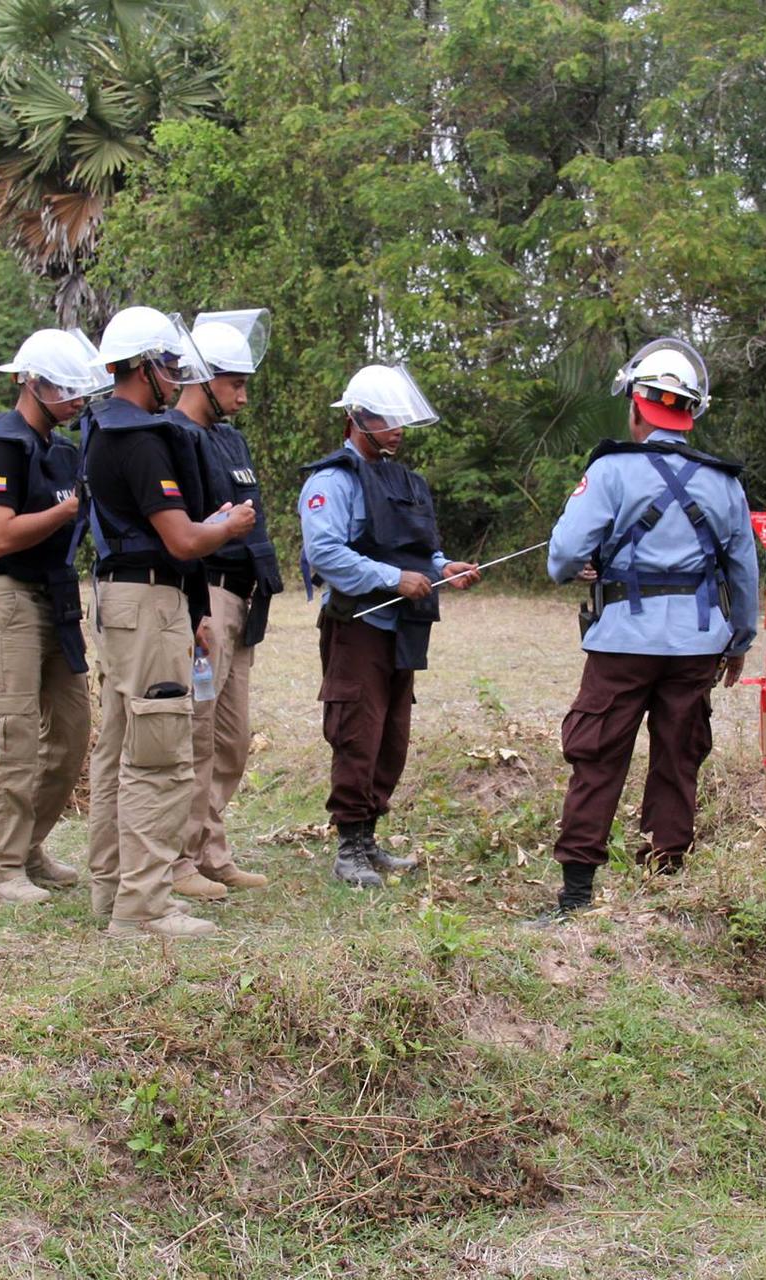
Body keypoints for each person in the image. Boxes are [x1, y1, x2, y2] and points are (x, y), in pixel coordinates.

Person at [542, 337, 760, 919]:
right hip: (696, 647)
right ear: (690, 414)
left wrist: (581, 565)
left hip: (621, 645)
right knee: (677, 760)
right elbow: (742, 571)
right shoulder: (726, 483)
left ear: (636, 408)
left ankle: (577, 898)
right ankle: (665, 889)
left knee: (597, 759)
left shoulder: (610, 470)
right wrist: (739, 642)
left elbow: (562, 557)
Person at [75, 306, 257, 940]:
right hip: (147, 604)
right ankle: (143, 905)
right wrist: (226, 528)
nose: (178, 376)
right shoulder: (143, 437)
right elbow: (180, 540)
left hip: (130, 599)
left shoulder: (103, 427)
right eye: (170, 364)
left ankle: (111, 886)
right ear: (144, 367)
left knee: (120, 746)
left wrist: (198, 613)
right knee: (159, 754)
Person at [297, 364, 481, 889]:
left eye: (403, 419)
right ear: (356, 417)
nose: (398, 428)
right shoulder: (331, 480)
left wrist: (443, 568)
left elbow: (419, 549)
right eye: (385, 418)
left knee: (391, 736)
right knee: (357, 731)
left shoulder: (407, 481)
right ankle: (348, 847)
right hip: (358, 626)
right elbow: (326, 552)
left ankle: (370, 837)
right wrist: (391, 579)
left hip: (406, 628)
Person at [0, 329, 101, 904]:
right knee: (14, 736)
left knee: (71, 733)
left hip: (55, 597)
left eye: (80, 391)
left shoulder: (64, 449)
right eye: (65, 390)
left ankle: (29, 846)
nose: (75, 401)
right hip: (6, 599)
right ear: (30, 383)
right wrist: (66, 510)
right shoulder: (1, 444)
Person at [169, 310, 280, 901]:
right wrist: (194, 613)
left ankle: (212, 847)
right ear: (201, 379)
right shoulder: (174, 437)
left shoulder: (230, 438)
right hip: (205, 594)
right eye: (233, 383)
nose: (241, 395)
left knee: (232, 737)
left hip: (244, 597)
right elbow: (179, 530)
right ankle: (180, 858)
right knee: (197, 731)